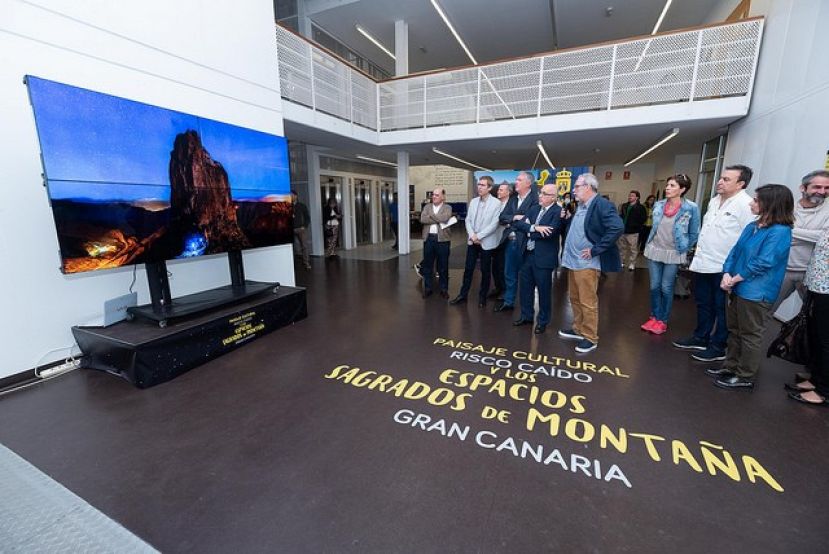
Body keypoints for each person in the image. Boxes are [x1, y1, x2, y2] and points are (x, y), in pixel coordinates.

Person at [705, 184, 793, 390]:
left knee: (750, 334)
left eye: (756, 200)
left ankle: (745, 375)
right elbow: (734, 252)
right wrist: (726, 273)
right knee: (734, 329)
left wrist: (734, 278)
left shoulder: (780, 231)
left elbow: (765, 262)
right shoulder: (752, 225)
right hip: (737, 285)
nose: (752, 203)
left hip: (756, 291)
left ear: (770, 204)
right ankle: (731, 366)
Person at [672, 165, 755, 362]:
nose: (720, 181)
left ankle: (718, 346)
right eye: (721, 178)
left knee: (721, 308)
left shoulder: (746, 204)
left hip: (724, 267)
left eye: (727, 179)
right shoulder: (714, 201)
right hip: (704, 263)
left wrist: (735, 270)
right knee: (703, 303)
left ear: (741, 184)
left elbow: (748, 239)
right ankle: (700, 337)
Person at [558, 173, 624, 353]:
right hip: (573, 260)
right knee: (574, 297)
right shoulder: (581, 206)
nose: (574, 190)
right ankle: (578, 329)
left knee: (587, 300)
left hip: (587, 262)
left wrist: (596, 249)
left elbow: (617, 227)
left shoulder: (602, 204)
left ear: (588, 187)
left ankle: (590, 337)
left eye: (577, 186)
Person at [641, 175, 701, 335]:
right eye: (667, 185)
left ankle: (663, 320)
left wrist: (684, 248)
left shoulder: (691, 208)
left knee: (666, 288)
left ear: (682, 189)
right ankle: (654, 316)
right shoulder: (659, 205)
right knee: (654, 286)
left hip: (673, 253)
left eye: (672, 185)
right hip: (655, 249)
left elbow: (694, 232)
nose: (667, 188)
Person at [772, 169, 829, 310]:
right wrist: (812, 236)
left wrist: (787, 230)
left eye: (827, 188)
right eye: (817, 187)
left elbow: (824, 238)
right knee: (765, 311)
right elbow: (773, 235)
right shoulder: (786, 208)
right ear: (803, 188)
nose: (822, 191)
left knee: (814, 316)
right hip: (781, 270)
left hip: (812, 275)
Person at [511, 184, 562, 334]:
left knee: (544, 291)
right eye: (541, 193)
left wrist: (529, 230)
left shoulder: (557, 212)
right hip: (527, 255)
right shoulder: (534, 209)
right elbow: (518, 224)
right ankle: (526, 316)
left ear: (553, 197)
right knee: (525, 289)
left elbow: (549, 233)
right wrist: (534, 228)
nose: (540, 196)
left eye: (545, 194)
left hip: (544, 259)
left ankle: (543, 321)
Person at [786, 232, 829, 405]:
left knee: (826, 341)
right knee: (817, 337)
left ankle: (825, 391)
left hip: (826, 289)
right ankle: (816, 379)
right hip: (818, 286)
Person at [450, 176, 503, 307]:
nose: (479, 187)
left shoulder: (497, 203)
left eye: (483, 185)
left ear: (490, 188)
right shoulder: (473, 201)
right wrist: (473, 235)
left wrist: (479, 236)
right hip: (472, 241)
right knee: (468, 270)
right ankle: (463, 295)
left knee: (485, 271)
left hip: (487, 242)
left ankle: (482, 297)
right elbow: (468, 220)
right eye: (478, 184)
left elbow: (494, 224)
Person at [494, 171, 538, 313]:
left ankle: (526, 311)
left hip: (526, 243)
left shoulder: (535, 200)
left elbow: (530, 221)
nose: (516, 182)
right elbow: (502, 217)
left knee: (526, 277)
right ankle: (509, 302)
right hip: (510, 242)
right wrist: (514, 218)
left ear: (528, 183)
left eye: (519, 180)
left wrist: (513, 221)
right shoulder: (513, 199)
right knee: (509, 273)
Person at [419, 188, 453, 298]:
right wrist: (438, 218)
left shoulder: (448, 207)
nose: (434, 196)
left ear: (443, 197)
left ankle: (444, 289)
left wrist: (431, 216)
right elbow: (423, 219)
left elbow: (445, 218)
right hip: (429, 239)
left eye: (437, 195)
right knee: (428, 265)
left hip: (443, 240)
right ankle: (428, 288)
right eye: (433, 195)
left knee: (443, 266)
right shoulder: (427, 207)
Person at [489, 182, 512, 300]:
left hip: (505, 240)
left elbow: (509, 220)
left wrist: (506, 220)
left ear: (508, 192)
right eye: (498, 190)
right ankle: (497, 287)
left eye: (501, 190)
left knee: (503, 266)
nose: (498, 192)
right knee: (495, 266)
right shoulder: (495, 204)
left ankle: (505, 290)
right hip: (494, 238)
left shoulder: (512, 205)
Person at [617, 190, 647, 271]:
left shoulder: (641, 207)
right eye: (629, 195)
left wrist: (636, 226)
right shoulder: (624, 206)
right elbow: (620, 216)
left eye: (632, 195)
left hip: (633, 232)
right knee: (621, 248)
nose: (630, 197)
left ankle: (632, 263)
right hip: (623, 230)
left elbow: (643, 219)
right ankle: (621, 262)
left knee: (633, 249)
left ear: (637, 197)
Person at [291, 190, 312, 269]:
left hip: (300, 228)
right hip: (291, 229)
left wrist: (304, 226)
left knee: (304, 246)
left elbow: (307, 217)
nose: (291, 197)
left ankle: (306, 262)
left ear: (296, 196)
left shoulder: (301, 205)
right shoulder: (287, 205)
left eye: (292, 195)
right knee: (292, 247)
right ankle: (292, 263)